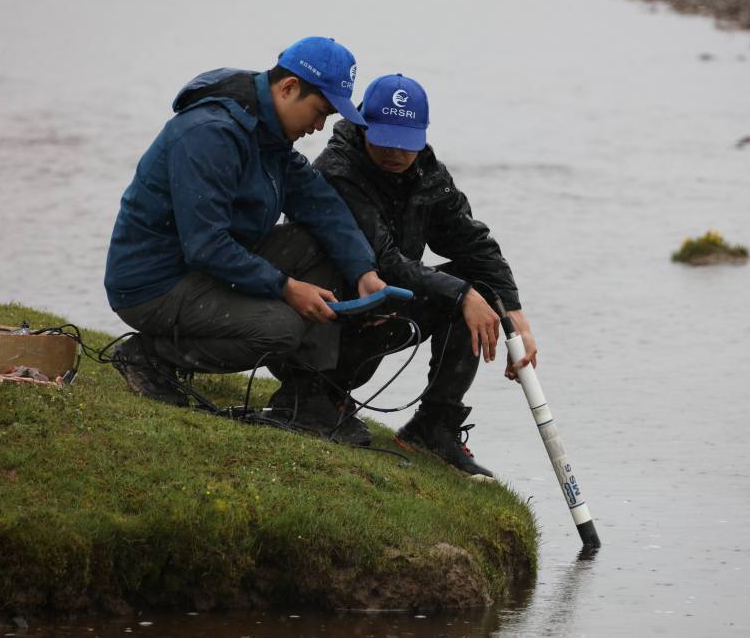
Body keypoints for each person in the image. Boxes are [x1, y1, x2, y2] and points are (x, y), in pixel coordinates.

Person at [103, 37, 386, 445]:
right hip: (153, 285)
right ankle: (147, 356)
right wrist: (286, 288)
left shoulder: (269, 134)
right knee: (281, 329)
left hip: (205, 268)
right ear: (289, 87)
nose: (321, 126)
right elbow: (206, 245)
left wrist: (364, 271)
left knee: (319, 242)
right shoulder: (211, 133)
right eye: (320, 112)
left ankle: (309, 395)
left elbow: (321, 203)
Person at [314, 74, 538, 477]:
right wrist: (464, 296)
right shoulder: (337, 170)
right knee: (466, 293)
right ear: (364, 124)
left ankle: (434, 426)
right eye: (385, 138)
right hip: (326, 315)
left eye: (407, 142)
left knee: (481, 284)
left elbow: (475, 246)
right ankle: (317, 395)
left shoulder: (427, 175)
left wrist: (514, 312)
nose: (396, 152)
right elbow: (383, 262)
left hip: (384, 307)